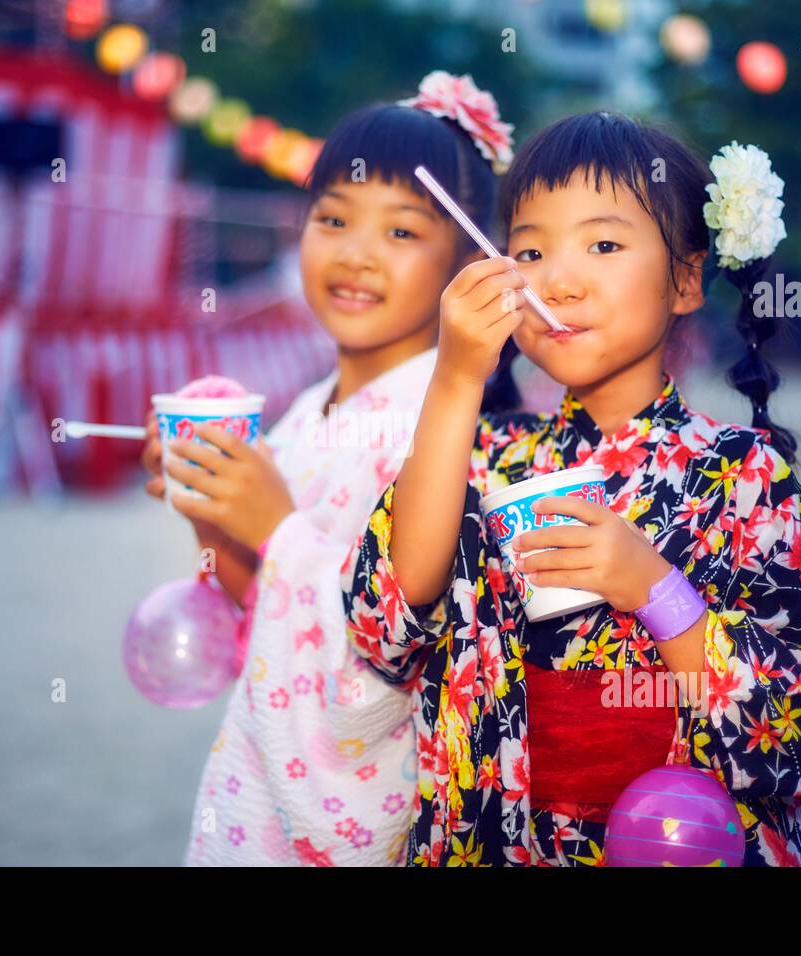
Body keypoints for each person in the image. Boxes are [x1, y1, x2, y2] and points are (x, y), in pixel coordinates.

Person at [344, 112, 801, 866]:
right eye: (528, 250)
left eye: (602, 243)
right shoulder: (483, 454)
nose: (556, 280)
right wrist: (456, 376)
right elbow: (385, 624)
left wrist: (655, 588)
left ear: (686, 280)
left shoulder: (743, 475)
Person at [142, 72, 517, 865]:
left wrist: (273, 526)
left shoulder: (439, 427)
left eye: (402, 233)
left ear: (467, 260)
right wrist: (209, 505)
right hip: (262, 786)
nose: (356, 254)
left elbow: (386, 667)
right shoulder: (312, 403)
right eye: (333, 218)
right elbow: (262, 613)